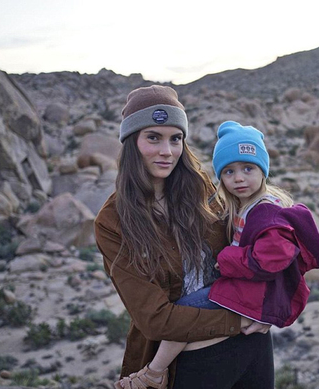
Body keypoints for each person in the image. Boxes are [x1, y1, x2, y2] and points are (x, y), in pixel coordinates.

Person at [120, 119, 319, 388]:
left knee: (184, 311)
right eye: (229, 171)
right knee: (183, 313)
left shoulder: (266, 211)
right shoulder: (238, 206)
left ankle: (154, 371)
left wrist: (227, 261)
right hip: (243, 299)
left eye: (248, 168)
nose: (239, 178)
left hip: (248, 295)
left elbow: (270, 260)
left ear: (263, 170)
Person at [94, 86, 272, 389]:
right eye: (153, 137)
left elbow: (246, 249)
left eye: (175, 139)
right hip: (189, 362)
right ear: (131, 142)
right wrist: (238, 321)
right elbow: (155, 319)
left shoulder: (200, 189)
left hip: (251, 344)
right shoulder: (113, 221)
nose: (167, 151)